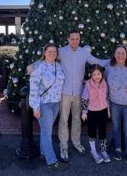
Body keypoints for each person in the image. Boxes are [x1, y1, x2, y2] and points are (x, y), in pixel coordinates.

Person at [28, 30, 108, 163]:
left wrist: (116, 60)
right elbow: (48, 58)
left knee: (77, 119)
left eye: (77, 39)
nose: (75, 41)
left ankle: (76, 143)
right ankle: (63, 147)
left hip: (78, 92)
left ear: (80, 39)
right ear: (68, 39)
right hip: (64, 94)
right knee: (63, 121)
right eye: (72, 39)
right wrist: (32, 65)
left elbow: (98, 62)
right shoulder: (61, 51)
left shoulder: (84, 52)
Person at [29, 43, 66, 171]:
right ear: (44, 52)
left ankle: (44, 153)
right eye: (49, 51)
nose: (52, 53)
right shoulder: (38, 66)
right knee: (46, 132)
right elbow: (33, 88)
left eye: (54, 51)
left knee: (46, 130)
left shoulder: (58, 65)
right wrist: (35, 107)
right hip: (44, 104)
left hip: (56, 102)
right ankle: (52, 161)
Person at [106, 46, 127, 164]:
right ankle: (118, 149)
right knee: (116, 128)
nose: (120, 55)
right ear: (115, 54)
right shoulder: (110, 67)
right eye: (118, 53)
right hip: (114, 104)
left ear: (126, 55)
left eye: (122, 53)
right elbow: (103, 84)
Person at [81, 64, 111, 164]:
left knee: (103, 132)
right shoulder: (88, 84)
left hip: (103, 111)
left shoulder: (104, 83)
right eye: (94, 74)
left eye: (98, 74)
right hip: (92, 112)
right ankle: (93, 151)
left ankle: (103, 150)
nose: (96, 76)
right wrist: (84, 112)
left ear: (101, 74)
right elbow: (85, 98)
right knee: (92, 132)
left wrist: (108, 110)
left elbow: (106, 97)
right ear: (91, 75)